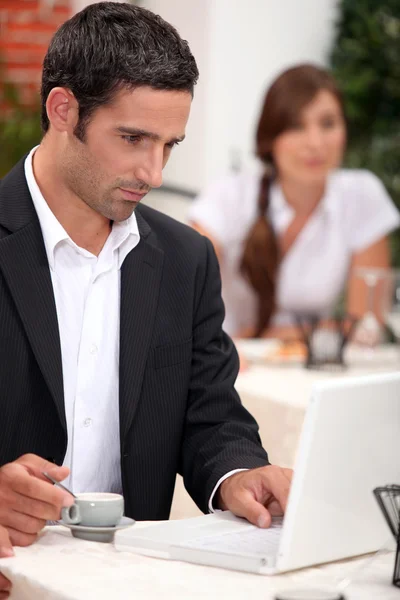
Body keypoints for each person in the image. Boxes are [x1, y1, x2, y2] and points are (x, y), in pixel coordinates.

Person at [0, 3, 292, 594]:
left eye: (169, 145)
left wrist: (239, 473)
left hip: (131, 584)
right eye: (133, 138)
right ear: (63, 110)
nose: (153, 172)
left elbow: (210, 414)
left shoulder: (186, 261)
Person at [189, 64, 400, 340]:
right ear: (270, 138)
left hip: (310, 367)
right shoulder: (229, 195)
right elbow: (185, 292)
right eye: (296, 126)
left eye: (327, 124)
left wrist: (273, 336)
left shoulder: (361, 195)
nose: (315, 143)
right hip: (227, 363)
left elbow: (365, 325)